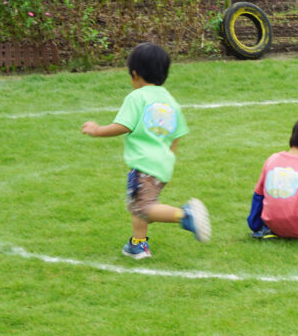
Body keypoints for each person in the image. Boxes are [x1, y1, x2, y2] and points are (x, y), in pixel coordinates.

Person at [81, 42, 210, 259]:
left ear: (135, 74)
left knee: (144, 207)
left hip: (144, 164)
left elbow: (123, 125)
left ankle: (185, 215)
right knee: (137, 203)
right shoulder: (171, 101)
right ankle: (138, 244)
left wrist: (97, 130)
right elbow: (177, 134)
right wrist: (168, 157)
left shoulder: (137, 97)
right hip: (163, 165)